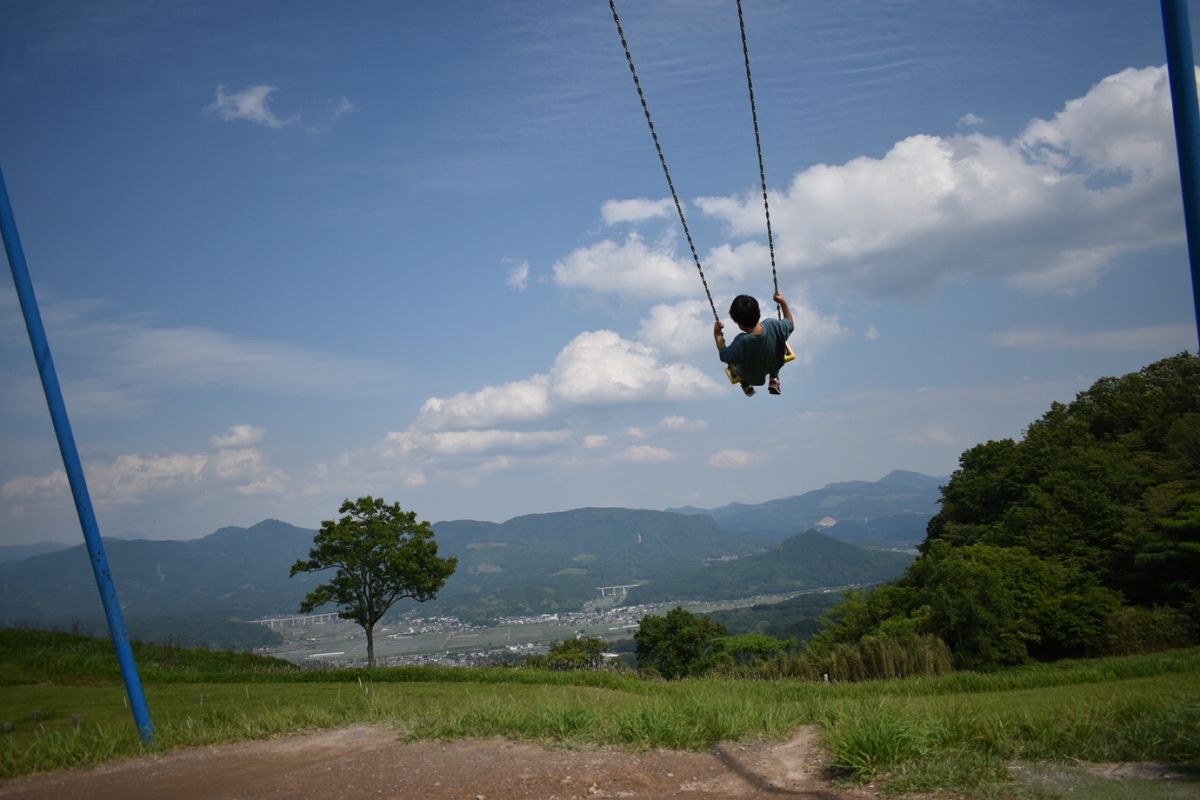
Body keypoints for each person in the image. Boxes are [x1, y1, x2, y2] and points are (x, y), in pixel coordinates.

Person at [714, 292, 795, 397]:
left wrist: (717, 335)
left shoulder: (741, 341)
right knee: (779, 347)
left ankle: (745, 384)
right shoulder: (773, 324)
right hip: (774, 363)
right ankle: (774, 378)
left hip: (752, 377)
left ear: (738, 323)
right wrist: (783, 302)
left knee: (732, 362)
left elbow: (725, 356)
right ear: (759, 312)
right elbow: (790, 324)